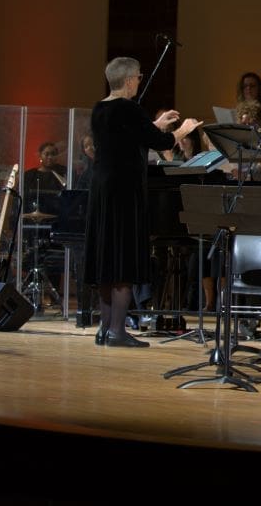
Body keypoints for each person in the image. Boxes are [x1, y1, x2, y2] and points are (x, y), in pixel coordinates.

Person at [84, 57, 201, 348]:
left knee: (107, 261)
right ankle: (118, 331)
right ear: (128, 80)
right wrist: (184, 129)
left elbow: (130, 135)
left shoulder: (100, 108)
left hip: (102, 190)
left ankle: (105, 329)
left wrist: (155, 124)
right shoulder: (129, 108)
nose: (139, 80)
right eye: (138, 76)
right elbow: (161, 143)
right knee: (123, 261)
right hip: (124, 192)